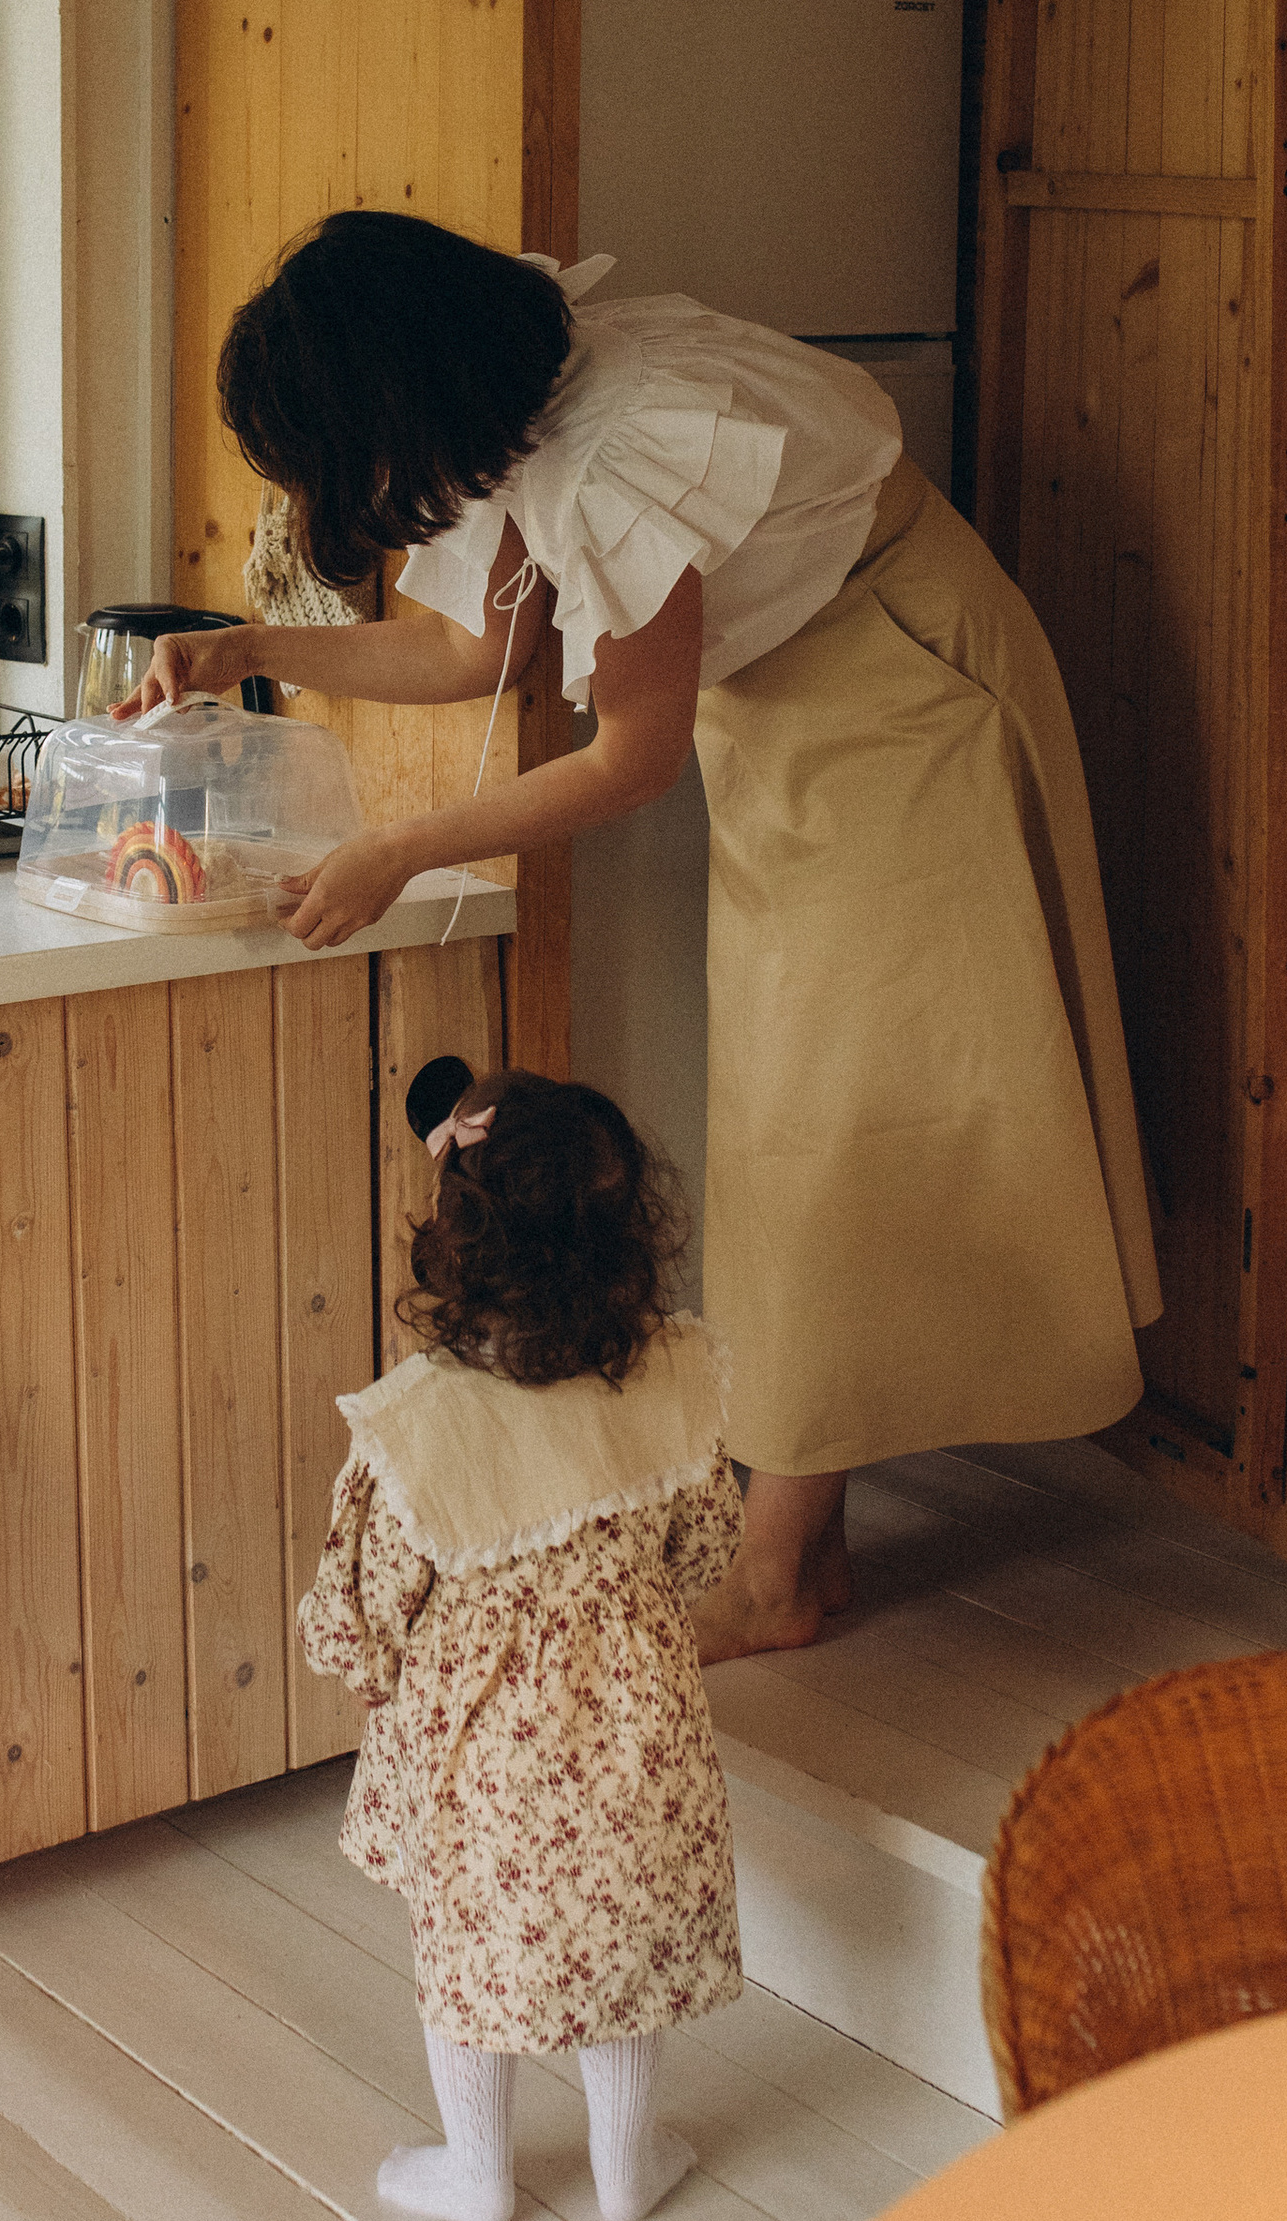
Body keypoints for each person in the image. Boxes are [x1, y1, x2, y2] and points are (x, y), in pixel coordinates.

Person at [140, 208, 1161, 1660]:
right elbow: (464, 650)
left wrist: (397, 854)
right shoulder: (523, 397)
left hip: (901, 695)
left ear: (401, 399)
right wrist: (247, 650)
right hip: (810, 710)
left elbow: (627, 758)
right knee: (802, 1121)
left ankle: (781, 1572)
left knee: (840, 1124)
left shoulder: (614, 454)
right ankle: (806, 1543)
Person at [298, 1056, 741, 2221]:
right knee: (620, 1960)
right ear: (628, 1236)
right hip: (642, 1748)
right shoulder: (668, 1380)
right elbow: (703, 1548)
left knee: (468, 1959)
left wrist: (370, 1680)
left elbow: (364, 1605)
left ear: (456, 1234)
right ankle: (627, 2169)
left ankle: (480, 2175)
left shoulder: (424, 1423)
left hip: (485, 1761)